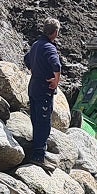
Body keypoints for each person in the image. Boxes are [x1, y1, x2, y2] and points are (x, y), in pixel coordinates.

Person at [21, 17, 62, 166]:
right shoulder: (49, 48)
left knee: (36, 119)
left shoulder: (36, 44)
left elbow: (26, 59)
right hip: (44, 89)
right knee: (44, 123)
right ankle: (39, 156)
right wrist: (56, 81)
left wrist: (33, 69)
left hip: (33, 87)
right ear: (55, 32)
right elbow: (56, 65)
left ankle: (36, 149)